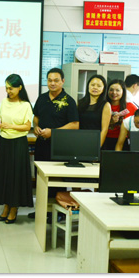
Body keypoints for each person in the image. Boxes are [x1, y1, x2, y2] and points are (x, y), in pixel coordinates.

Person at [29, 67, 79, 220]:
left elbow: (75, 125)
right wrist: (36, 127)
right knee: (41, 179)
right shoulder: (42, 98)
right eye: (50, 80)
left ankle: (57, 212)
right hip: (41, 145)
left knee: (56, 180)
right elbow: (36, 117)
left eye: (56, 80)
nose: (52, 83)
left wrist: (54, 132)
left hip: (59, 147)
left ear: (62, 81)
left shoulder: (69, 101)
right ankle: (42, 210)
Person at [0, 74, 33, 224]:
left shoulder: (25, 105)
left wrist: (11, 126)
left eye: (11, 88)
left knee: (16, 176)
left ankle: (14, 208)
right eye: (7, 88)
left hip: (18, 143)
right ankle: (6, 206)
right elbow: (1, 120)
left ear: (20, 87)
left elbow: (27, 127)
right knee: (4, 175)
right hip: (4, 142)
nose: (8, 91)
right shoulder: (4, 101)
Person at [77, 74, 111, 147]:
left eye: (99, 86)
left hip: (96, 142)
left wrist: (97, 148)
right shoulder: (80, 103)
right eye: (92, 85)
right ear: (88, 86)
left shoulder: (106, 105)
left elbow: (104, 130)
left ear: (103, 89)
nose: (95, 87)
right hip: (80, 140)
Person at [103, 79, 137, 150]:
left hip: (123, 142)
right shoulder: (102, 106)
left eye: (117, 90)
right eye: (111, 90)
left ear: (123, 92)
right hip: (104, 140)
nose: (114, 93)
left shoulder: (131, 107)